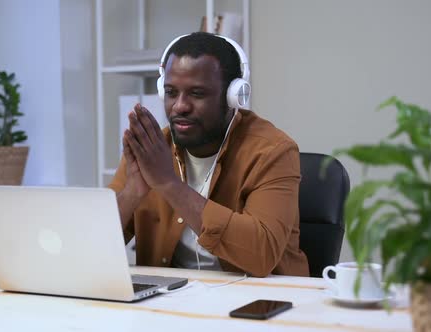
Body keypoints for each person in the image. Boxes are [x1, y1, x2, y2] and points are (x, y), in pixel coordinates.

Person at [108, 32, 309, 277]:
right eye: (171, 92)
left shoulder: (273, 151)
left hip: (256, 302)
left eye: (197, 94)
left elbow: (262, 255)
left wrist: (169, 184)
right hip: (169, 303)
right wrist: (133, 192)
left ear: (233, 97)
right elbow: (93, 247)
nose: (180, 106)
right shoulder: (151, 149)